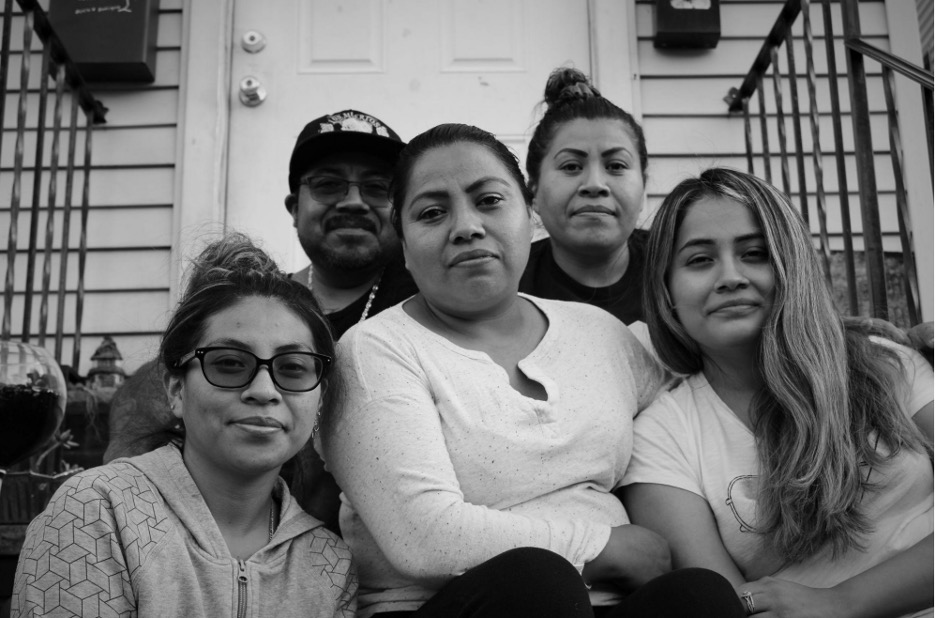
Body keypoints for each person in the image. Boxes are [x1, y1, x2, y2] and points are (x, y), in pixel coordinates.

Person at [321, 123, 747, 617]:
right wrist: (600, 548)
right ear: (404, 242)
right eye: (432, 213)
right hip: (453, 606)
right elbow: (423, 538)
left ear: (529, 213)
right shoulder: (376, 350)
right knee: (537, 584)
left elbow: (698, 406)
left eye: (489, 201)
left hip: (604, 604)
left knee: (699, 598)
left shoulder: (598, 333)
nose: (466, 226)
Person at [622, 168, 933, 618]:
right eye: (699, 260)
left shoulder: (884, 364)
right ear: (666, 291)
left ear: (791, 266)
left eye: (755, 253)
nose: (730, 277)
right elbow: (720, 604)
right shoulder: (662, 436)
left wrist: (843, 603)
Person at [104, 110, 418, 532]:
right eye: (328, 184)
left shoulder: (424, 302)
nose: (353, 201)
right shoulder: (261, 298)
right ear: (294, 207)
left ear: (399, 210)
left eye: (377, 188)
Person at [13, 234, 356, 617]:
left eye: (292, 368)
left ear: (319, 399)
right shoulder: (96, 513)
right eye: (229, 363)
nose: (264, 390)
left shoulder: (331, 564)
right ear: (176, 389)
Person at [519, 67, 649, 325]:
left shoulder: (679, 269)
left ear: (643, 184)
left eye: (616, 166)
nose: (595, 184)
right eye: (570, 166)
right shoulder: (508, 287)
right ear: (533, 191)